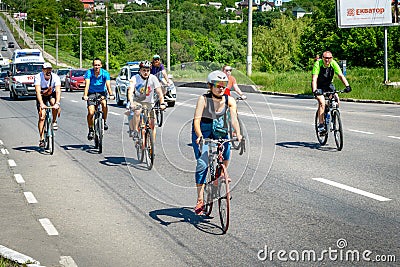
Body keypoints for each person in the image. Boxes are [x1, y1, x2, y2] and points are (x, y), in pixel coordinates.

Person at [192, 70, 242, 215]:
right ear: (210, 86)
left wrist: (237, 133)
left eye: (224, 85)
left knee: (226, 151)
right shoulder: (203, 99)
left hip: (220, 130)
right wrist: (200, 135)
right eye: (218, 85)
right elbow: (196, 120)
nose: (221, 88)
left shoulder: (229, 100)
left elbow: (234, 119)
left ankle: (219, 176)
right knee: (202, 164)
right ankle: (200, 199)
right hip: (203, 131)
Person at [312, 51, 351, 133]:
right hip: (318, 86)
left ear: (332, 58)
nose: (327, 60)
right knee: (322, 102)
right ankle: (321, 125)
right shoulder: (318, 64)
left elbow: (341, 75)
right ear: (322, 58)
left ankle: (334, 117)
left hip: (328, 85)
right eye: (325, 58)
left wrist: (347, 86)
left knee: (336, 100)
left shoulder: (333, 63)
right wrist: (315, 90)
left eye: (329, 58)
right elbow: (314, 78)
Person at [127, 60, 166, 142]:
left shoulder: (153, 78)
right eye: (144, 70)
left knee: (152, 124)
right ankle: (136, 131)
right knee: (137, 112)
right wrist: (131, 102)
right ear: (140, 70)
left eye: (148, 70)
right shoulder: (134, 78)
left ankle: (152, 145)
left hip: (149, 103)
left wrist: (162, 103)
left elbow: (159, 92)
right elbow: (130, 91)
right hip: (137, 101)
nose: (146, 72)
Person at [83, 58, 115, 140]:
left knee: (104, 104)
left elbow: (108, 85)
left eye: (98, 65)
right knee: (91, 112)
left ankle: (104, 121)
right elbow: (87, 85)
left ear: (101, 65)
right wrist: (85, 95)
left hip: (101, 92)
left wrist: (111, 94)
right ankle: (91, 129)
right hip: (91, 93)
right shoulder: (89, 73)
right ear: (93, 66)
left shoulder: (105, 73)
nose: (97, 67)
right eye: (95, 65)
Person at [34, 62, 61, 148]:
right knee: (42, 116)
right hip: (41, 95)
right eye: (46, 69)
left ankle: (54, 121)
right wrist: (41, 104)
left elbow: (57, 91)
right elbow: (38, 91)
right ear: (43, 70)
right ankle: (41, 139)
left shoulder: (55, 77)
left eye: (50, 69)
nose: (48, 71)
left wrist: (57, 103)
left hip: (51, 94)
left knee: (54, 104)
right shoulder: (38, 77)